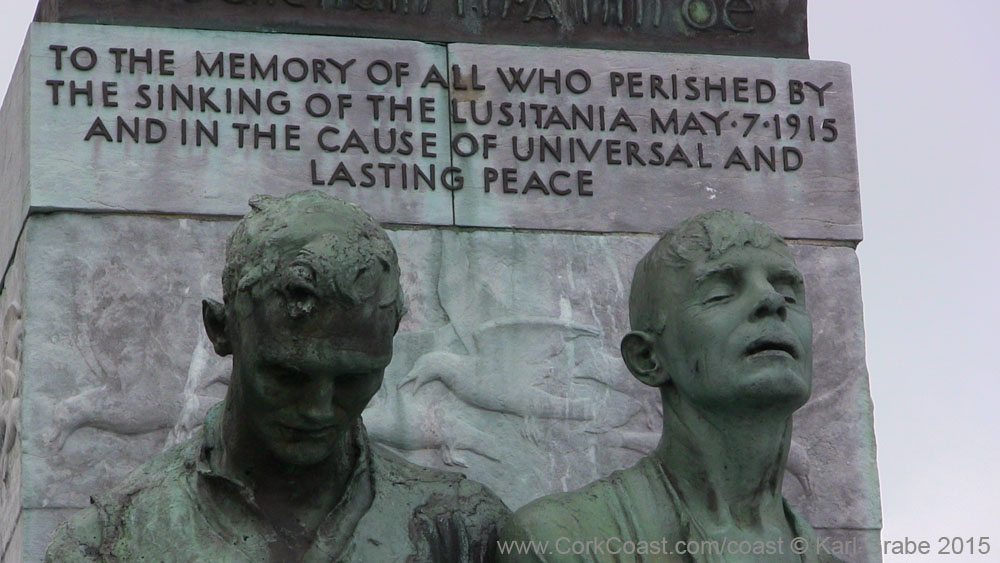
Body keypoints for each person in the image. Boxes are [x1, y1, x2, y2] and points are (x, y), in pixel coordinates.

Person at [46, 191, 510, 562]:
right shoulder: (103, 546)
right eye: (288, 374)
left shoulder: (468, 533)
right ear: (221, 330)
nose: (319, 409)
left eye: (353, 380)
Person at [499, 210, 841, 562]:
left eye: (788, 293)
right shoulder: (561, 540)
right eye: (720, 293)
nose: (772, 301)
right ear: (648, 357)